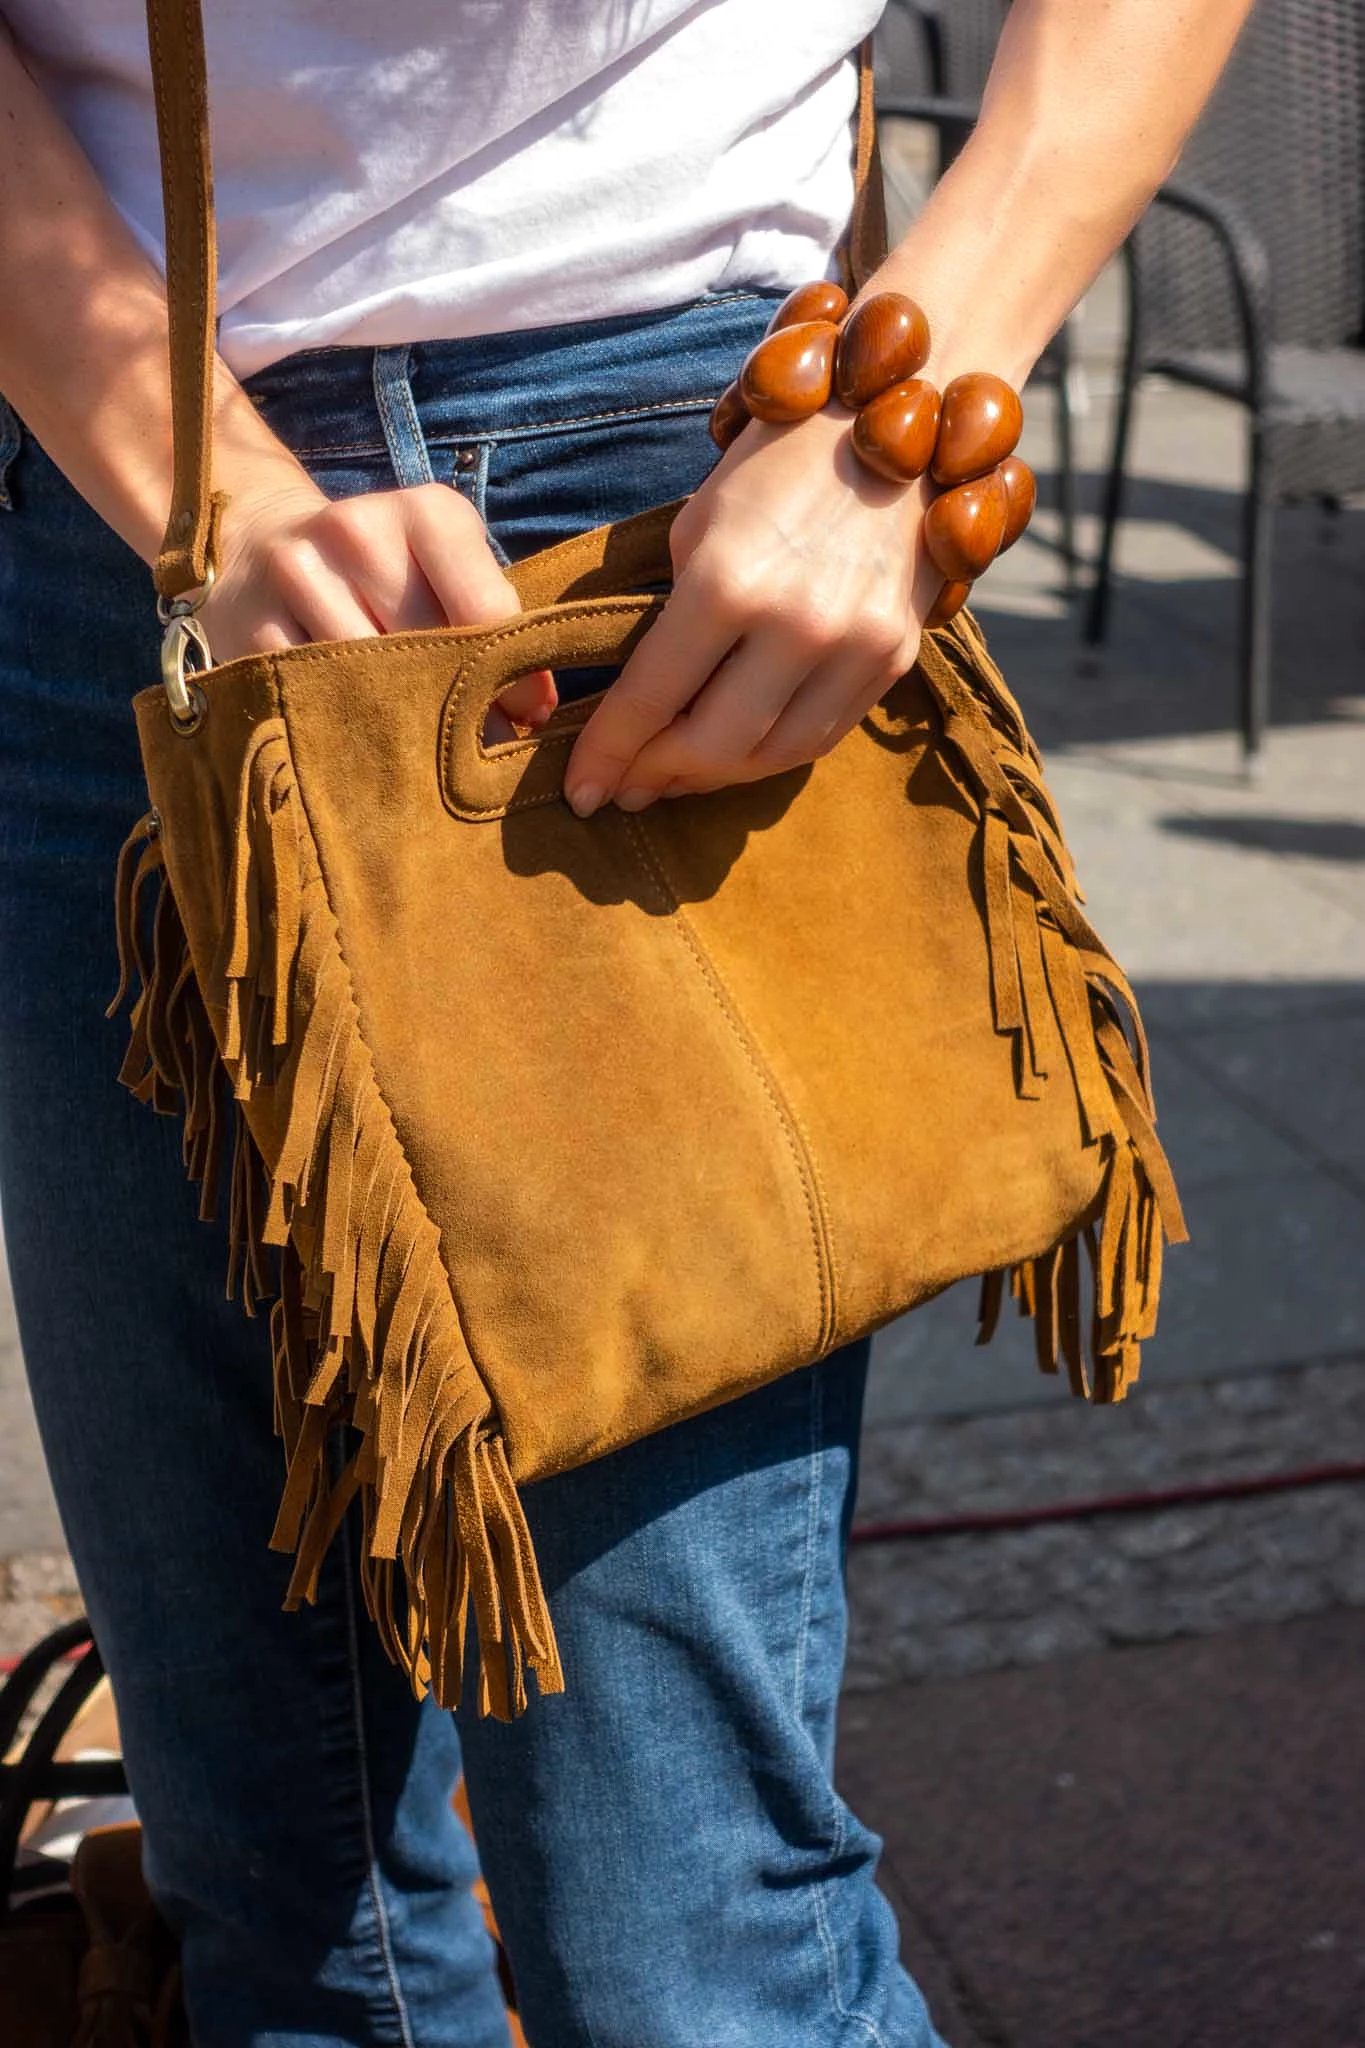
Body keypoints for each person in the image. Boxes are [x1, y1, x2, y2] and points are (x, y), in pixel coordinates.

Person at [0, 2, 1251, 2042]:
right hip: (106, 503)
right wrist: (188, 476)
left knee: (682, 1939)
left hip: (671, 476)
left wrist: (911, 404)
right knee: (275, 1898)